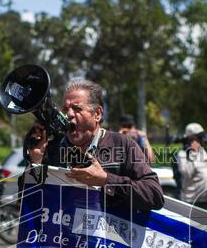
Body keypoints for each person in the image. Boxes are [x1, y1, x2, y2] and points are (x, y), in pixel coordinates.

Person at [25, 79, 163, 213]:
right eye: (66, 109)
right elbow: (28, 200)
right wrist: (35, 161)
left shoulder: (122, 144)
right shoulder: (54, 147)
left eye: (77, 108)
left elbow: (154, 195)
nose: (69, 114)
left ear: (97, 114)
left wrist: (106, 180)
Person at [174, 122, 207, 210]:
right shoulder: (182, 154)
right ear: (190, 140)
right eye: (199, 138)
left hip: (205, 200)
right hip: (190, 201)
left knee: (206, 224)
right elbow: (187, 174)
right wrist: (193, 153)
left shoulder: (204, 152)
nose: (202, 140)